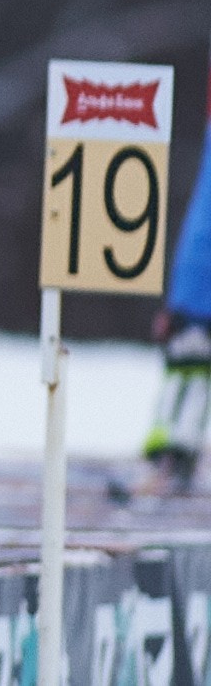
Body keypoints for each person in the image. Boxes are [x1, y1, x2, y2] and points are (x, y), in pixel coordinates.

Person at [141, 157, 211, 493]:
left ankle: (170, 452)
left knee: (184, 382)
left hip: (189, 307)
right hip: (194, 311)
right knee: (193, 383)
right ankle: (177, 452)